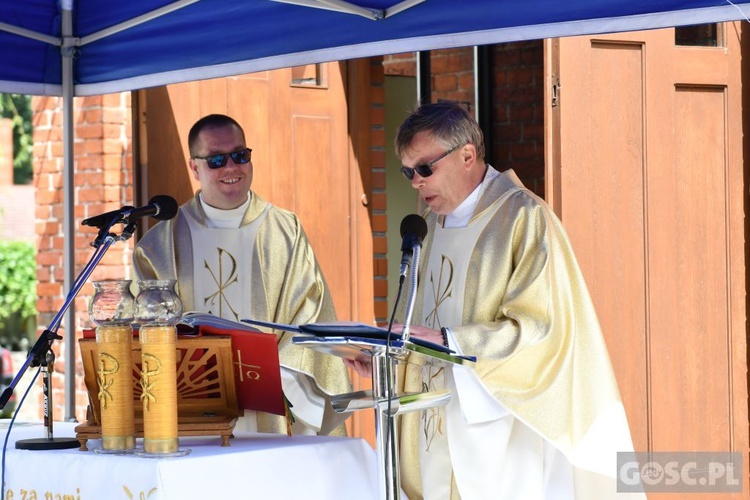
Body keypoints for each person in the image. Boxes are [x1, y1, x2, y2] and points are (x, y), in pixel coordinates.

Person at [348, 101, 642, 499]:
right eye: (408, 171)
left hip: (496, 427)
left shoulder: (524, 219)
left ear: (467, 154)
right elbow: (415, 326)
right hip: (431, 419)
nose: (415, 182)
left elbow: (541, 330)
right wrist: (385, 358)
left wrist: (452, 341)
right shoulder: (428, 228)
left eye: (424, 168)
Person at [133, 113, 351, 436]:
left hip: (269, 416)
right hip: (189, 419)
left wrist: (265, 378)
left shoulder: (284, 232)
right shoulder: (160, 245)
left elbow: (309, 315)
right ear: (194, 167)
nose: (231, 168)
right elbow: (146, 333)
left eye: (240, 156)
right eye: (217, 160)